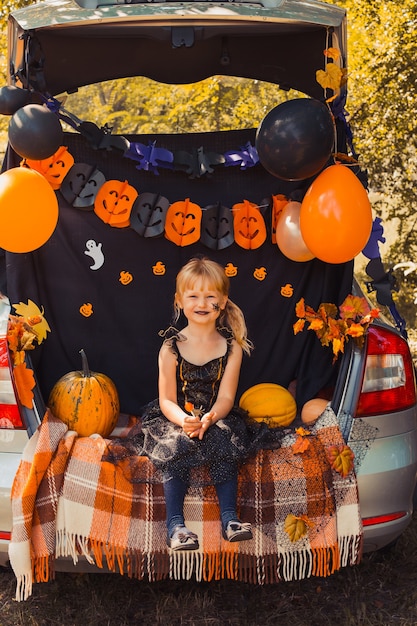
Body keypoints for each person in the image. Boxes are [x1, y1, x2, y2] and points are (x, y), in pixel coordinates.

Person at [104, 256, 261, 551]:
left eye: (210, 296)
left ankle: (230, 520)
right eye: (193, 295)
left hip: (216, 415)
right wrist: (183, 421)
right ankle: (175, 526)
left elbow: (227, 396)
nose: (202, 302)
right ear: (179, 300)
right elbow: (166, 399)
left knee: (224, 440)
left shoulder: (232, 347)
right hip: (176, 415)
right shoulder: (171, 346)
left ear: (223, 301)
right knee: (174, 445)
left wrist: (212, 417)